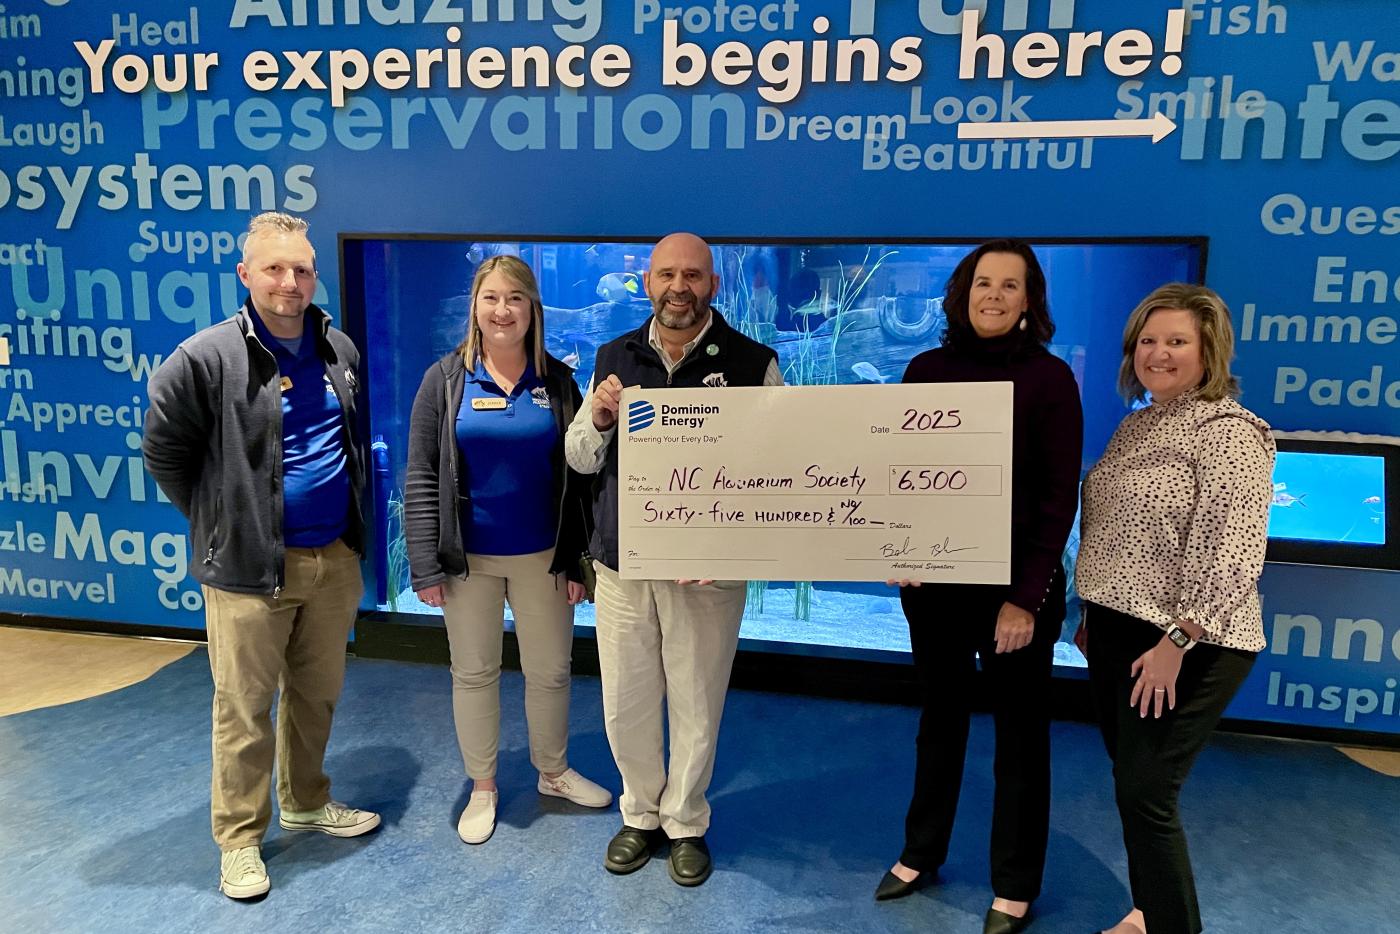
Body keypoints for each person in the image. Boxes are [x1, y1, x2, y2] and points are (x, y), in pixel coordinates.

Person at [143, 212, 380, 901]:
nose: (291, 281)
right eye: (275, 268)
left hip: (332, 558)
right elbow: (166, 450)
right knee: (244, 709)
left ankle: (306, 800)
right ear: (246, 275)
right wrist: (220, 522)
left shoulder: (338, 348)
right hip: (248, 571)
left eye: (302, 269)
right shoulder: (205, 357)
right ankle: (241, 840)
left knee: (317, 696)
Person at [877, 240, 1084, 934]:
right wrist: (898, 547)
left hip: (1015, 598)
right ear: (963, 292)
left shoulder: (1051, 380)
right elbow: (901, 470)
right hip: (936, 588)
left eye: (1009, 285)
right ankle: (920, 851)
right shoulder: (925, 369)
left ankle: (1015, 884)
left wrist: (1025, 598)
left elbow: (1058, 500)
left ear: (1031, 300)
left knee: (1021, 742)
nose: (993, 295)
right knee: (939, 725)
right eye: (982, 282)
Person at [565, 232, 782, 887]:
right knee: (626, 703)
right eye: (666, 275)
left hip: (707, 574)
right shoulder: (614, 356)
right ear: (648, 282)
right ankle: (640, 815)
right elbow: (578, 458)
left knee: (696, 702)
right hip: (621, 567)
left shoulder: (753, 363)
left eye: (692, 275)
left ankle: (686, 822)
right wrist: (599, 418)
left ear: (712, 285)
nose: (678, 287)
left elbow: (782, 467)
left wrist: (730, 544)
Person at [1075, 284, 1273, 934]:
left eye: (1176, 341)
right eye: (1148, 341)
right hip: (1114, 630)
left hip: (1189, 640)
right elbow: (1116, 531)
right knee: (1132, 786)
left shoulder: (1229, 432)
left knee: (1147, 793)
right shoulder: (1138, 422)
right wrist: (1090, 616)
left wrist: (1177, 642)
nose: (1158, 353)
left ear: (1207, 350)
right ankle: (1146, 913)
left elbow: (1232, 553)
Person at [403, 254, 611, 845]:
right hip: (468, 561)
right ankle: (484, 786)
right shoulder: (444, 380)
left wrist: (577, 559)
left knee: (550, 672)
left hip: (544, 557)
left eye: (515, 299)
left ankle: (553, 771)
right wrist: (425, 562)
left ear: (532, 310)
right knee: (474, 673)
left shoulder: (560, 383)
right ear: (475, 306)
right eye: (491, 297)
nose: (503, 310)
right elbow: (421, 475)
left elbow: (581, 479)